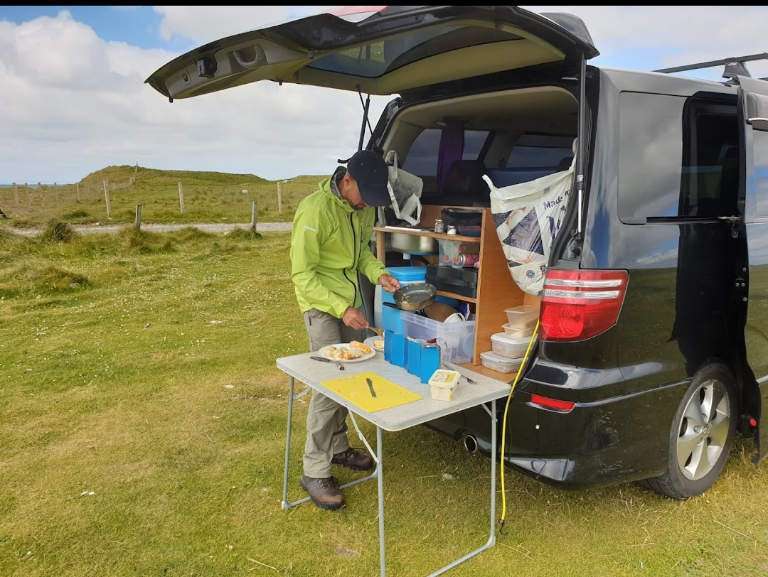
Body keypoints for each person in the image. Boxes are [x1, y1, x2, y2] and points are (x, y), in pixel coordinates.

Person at [289, 149, 401, 510]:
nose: (367, 203)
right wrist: (341, 308)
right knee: (328, 385)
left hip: (350, 302)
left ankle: (338, 448)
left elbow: (361, 256)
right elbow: (302, 275)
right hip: (322, 305)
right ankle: (314, 469)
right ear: (346, 180)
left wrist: (377, 273)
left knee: (352, 377)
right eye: (364, 194)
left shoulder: (361, 208)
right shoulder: (313, 211)